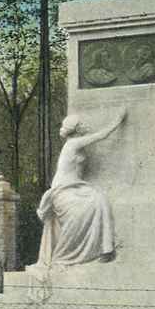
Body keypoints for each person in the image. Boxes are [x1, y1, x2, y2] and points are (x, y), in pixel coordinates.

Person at [35, 108, 127, 267]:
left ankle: (106, 249)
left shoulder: (75, 144)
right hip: (64, 191)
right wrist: (117, 121)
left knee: (99, 199)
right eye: (82, 124)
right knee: (85, 211)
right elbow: (101, 135)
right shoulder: (73, 143)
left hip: (76, 189)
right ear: (77, 129)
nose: (86, 126)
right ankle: (65, 255)